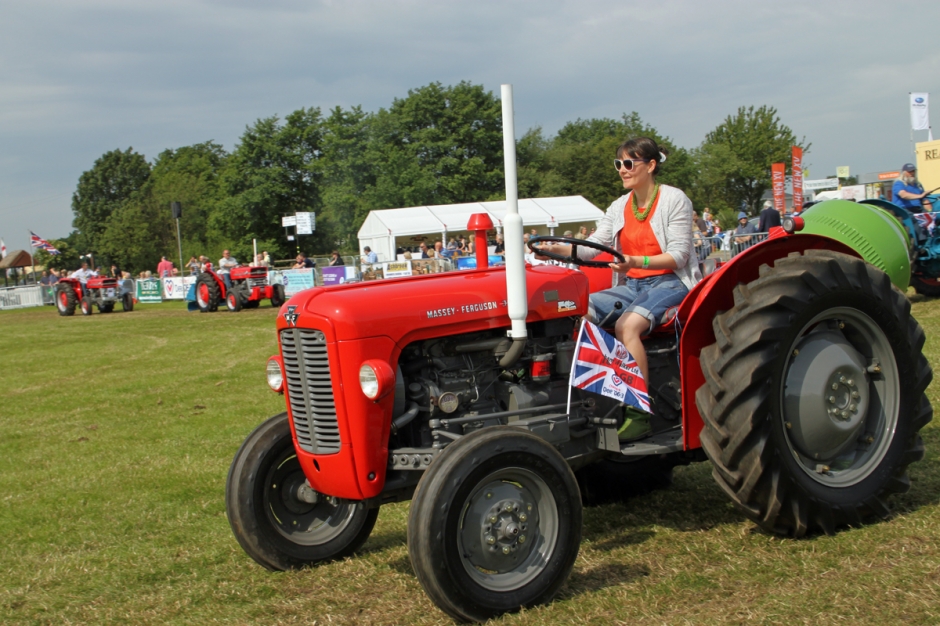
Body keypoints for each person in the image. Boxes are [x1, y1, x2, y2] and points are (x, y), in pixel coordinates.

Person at [534, 137, 701, 441]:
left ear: (651, 165)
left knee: (628, 326)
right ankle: (590, 400)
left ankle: (639, 414)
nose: (622, 170)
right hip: (633, 284)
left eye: (628, 163)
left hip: (670, 281)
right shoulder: (619, 206)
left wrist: (636, 261)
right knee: (578, 313)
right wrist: (555, 249)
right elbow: (593, 247)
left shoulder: (674, 199)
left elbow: (679, 255)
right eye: (618, 164)